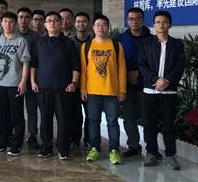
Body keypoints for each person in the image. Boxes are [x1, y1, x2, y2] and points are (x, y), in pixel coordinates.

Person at [138, 10, 185, 170]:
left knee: (169, 125)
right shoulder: (146, 44)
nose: (161, 25)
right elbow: (142, 64)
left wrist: (167, 81)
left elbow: (180, 66)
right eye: (158, 22)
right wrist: (155, 80)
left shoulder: (177, 44)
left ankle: (171, 155)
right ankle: (151, 153)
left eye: (164, 22)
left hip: (169, 92)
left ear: (170, 24)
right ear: (153, 25)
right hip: (150, 91)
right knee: (149, 124)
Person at [31, 11, 80, 160]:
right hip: (43, 88)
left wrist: (74, 83)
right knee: (45, 119)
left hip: (63, 89)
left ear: (60, 23)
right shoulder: (39, 42)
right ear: (45, 24)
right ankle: (46, 147)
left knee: (63, 120)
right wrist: (33, 81)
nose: (52, 23)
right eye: (49, 21)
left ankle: (63, 149)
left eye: (55, 20)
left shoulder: (68, 43)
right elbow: (34, 64)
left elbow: (76, 65)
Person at [81, 15, 127, 165]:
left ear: (108, 27)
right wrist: (83, 89)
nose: (100, 28)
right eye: (98, 25)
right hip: (92, 92)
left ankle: (114, 150)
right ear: (93, 27)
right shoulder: (86, 46)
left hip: (111, 91)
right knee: (93, 121)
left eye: (104, 25)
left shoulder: (116, 45)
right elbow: (83, 70)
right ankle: (94, 148)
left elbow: (122, 69)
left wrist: (122, 89)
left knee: (112, 122)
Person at [0, 11, 30, 157]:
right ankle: (3, 141)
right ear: (1, 23)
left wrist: (23, 82)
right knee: (2, 115)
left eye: (11, 21)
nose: (8, 24)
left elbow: (26, 63)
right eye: (5, 21)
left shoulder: (21, 41)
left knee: (16, 116)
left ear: (15, 23)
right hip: (0, 84)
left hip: (15, 84)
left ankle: (16, 145)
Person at [118, 7, 152, 158]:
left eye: (138, 18)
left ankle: (151, 148)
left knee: (148, 119)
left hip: (146, 85)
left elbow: (154, 61)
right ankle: (133, 146)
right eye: (131, 19)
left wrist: (139, 72)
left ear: (143, 20)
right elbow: (116, 62)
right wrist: (127, 75)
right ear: (127, 21)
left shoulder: (152, 39)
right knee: (129, 119)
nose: (134, 21)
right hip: (126, 86)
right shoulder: (120, 39)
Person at [17, 7, 40, 149]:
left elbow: (37, 59)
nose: (23, 20)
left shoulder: (36, 37)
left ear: (30, 20)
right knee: (17, 109)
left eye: (26, 17)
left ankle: (32, 135)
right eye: (21, 17)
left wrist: (33, 79)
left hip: (32, 78)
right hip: (15, 78)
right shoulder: (11, 35)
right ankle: (17, 134)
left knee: (32, 109)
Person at [69, 11, 92, 149]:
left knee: (91, 115)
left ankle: (89, 139)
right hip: (74, 85)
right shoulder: (69, 41)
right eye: (78, 21)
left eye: (83, 21)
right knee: (75, 114)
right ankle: (75, 138)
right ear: (74, 23)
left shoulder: (94, 41)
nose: (80, 24)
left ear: (88, 23)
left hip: (91, 85)